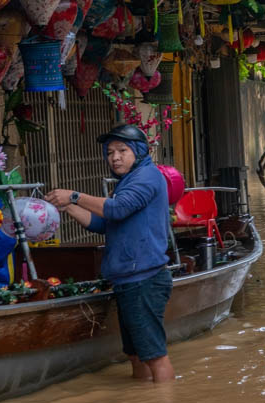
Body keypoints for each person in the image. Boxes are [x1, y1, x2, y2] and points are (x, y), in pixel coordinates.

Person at [45, 124, 175, 382]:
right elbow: (102, 223)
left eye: (122, 151)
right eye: (110, 152)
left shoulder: (147, 176)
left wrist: (74, 195)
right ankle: (144, 401)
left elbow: (117, 209)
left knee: (154, 356)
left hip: (144, 279)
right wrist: (67, 206)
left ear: (138, 151)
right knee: (136, 355)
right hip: (129, 279)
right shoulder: (128, 181)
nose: (115, 157)